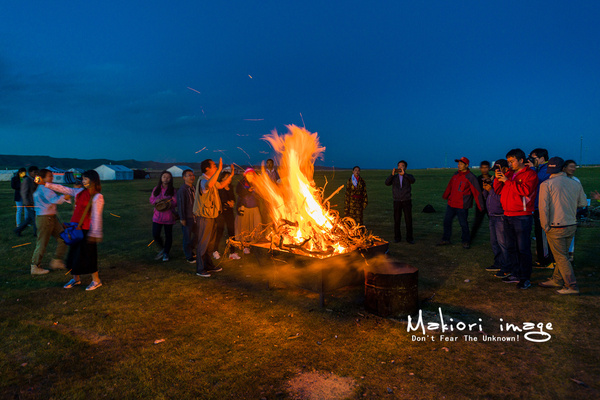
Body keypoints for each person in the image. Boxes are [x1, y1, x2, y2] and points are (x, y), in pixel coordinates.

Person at [42, 170, 105, 291]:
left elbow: (96, 216)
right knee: (74, 255)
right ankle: (76, 279)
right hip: (75, 228)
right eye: (83, 179)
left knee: (89, 255)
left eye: (86, 179)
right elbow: (63, 189)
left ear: (93, 180)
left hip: (87, 230)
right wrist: (45, 184)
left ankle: (96, 280)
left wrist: (95, 233)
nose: (83, 181)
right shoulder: (79, 191)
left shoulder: (97, 196)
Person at [537, 157, 587, 295]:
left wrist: (545, 226)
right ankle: (557, 279)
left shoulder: (546, 184)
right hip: (571, 224)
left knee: (561, 257)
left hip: (556, 225)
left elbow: (543, 207)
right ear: (563, 168)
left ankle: (571, 285)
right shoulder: (575, 183)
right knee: (563, 255)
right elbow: (583, 203)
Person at [493, 148, 538, 289]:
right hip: (508, 214)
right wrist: (498, 178)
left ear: (521, 160)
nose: (510, 164)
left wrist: (507, 181)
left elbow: (525, 191)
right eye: (508, 161)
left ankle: (525, 278)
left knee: (523, 248)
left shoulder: (530, 174)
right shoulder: (510, 174)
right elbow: (498, 190)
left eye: (512, 161)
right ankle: (516, 273)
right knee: (511, 247)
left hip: (522, 216)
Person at [195, 158, 234, 277]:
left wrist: (231, 175)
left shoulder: (210, 180)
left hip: (212, 216)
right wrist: (220, 170)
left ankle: (208, 265)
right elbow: (209, 185)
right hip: (204, 217)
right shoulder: (203, 180)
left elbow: (221, 185)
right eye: (214, 165)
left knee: (210, 244)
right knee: (203, 243)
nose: (216, 166)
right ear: (207, 168)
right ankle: (200, 269)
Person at [29, 169, 69, 275]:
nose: (52, 178)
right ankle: (35, 266)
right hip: (45, 218)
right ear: (43, 178)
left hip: (50, 217)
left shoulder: (43, 188)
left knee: (63, 238)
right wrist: (66, 196)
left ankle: (57, 261)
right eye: (50, 176)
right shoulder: (44, 188)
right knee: (42, 242)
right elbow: (54, 200)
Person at [438, 157, 483, 249]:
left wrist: (480, 206)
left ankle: (466, 241)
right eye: (458, 163)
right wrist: (445, 195)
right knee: (447, 221)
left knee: (463, 224)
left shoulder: (471, 177)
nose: (459, 165)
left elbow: (476, 192)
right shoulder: (456, 174)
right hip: (451, 204)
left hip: (462, 205)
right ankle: (446, 239)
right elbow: (450, 186)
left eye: (461, 164)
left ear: (466, 165)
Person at [482, 160, 516, 278]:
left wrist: (490, 190)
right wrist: (486, 188)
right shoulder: (496, 181)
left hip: (500, 215)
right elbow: (487, 197)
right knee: (494, 242)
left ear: (505, 169)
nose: (495, 173)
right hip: (492, 215)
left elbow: (501, 199)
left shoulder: (507, 181)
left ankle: (507, 266)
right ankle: (499, 263)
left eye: (497, 170)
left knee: (503, 243)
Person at [530, 148, 553, 268]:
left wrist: (532, 168)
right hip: (537, 206)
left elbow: (536, 179)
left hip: (543, 207)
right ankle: (542, 258)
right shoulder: (540, 168)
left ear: (542, 158)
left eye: (534, 158)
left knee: (543, 235)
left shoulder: (547, 169)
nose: (531, 160)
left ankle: (545, 260)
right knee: (538, 234)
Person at [149, 171, 178, 262]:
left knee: (168, 235)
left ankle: (166, 253)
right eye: (164, 177)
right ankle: (162, 249)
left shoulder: (172, 190)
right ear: (161, 178)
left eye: (168, 177)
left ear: (170, 179)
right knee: (155, 234)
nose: (166, 179)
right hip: (157, 216)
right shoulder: (156, 189)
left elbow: (176, 202)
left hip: (168, 216)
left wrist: (168, 202)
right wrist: (156, 201)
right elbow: (151, 200)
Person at [385, 160, 415, 243]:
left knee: (408, 220)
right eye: (399, 166)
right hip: (397, 201)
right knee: (397, 220)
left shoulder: (408, 176)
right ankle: (397, 238)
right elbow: (387, 183)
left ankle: (409, 238)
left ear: (405, 167)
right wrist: (392, 174)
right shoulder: (394, 177)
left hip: (406, 201)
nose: (400, 167)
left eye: (402, 166)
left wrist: (404, 174)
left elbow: (413, 180)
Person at [235, 168, 263, 254]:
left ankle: (255, 245)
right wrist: (248, 190)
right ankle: (245, 246)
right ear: (245, 175)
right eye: (249, 174)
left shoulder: (257, 183)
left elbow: (260, 194)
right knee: (245, 227)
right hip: (245, 208)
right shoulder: (242, 183)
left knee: (256, 226)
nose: (251, 175)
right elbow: (238, 192)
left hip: (254, 207)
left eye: (252, 174)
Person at [561, 160, 584, 262]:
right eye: (571, 166)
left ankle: (569, 254)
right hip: (561, 211)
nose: (573, 169)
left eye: (574, 167)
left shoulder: (576, 180)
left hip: (572, 211)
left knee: (571, 233)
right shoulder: (559, 180)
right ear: (564, 168)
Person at [216, 171, 240, 260]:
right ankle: (215, 250)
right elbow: (218, 199)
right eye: (227, 177)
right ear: (222, 178)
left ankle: (232, 252)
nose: (229, 179)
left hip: (229, 212)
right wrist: (226, 203)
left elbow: (233, 197)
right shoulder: (219, 187)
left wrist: (232, 201)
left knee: (231, 231)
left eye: (230, 177)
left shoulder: (230, 187)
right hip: (221, 212)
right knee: (219, 231)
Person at [176, 169, 198, 263]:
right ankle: (189, 256)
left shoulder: (194, 188)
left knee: (198, 234)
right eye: (189, 175)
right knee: (187, 237)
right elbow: (181, 204)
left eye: (193, 175)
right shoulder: (182, 190)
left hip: (196, 216)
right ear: (184, 177)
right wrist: (182, 218)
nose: (192, 177)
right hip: (187, 217)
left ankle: (191, 248)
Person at [470, 161, 491, 242]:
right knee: (477, 222)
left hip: (491, 204)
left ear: (489, 168)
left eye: (486, 167)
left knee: (494, 223)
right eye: (483, 168)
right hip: (480, 204)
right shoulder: (478, 179)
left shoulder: (492, 178)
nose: (484, 169)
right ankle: (470, 238)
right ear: (480, 168)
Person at [14, 166, 39, 237]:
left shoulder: (35, 179)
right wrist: (27, 202)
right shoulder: (26, 180)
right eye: (34, 172)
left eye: (37, 172)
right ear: (30, 172)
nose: (36, 173)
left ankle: (18, 230)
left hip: (34, 202)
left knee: (29, 219)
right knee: (35, 218)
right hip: (29, 202)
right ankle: (36, 233)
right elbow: (23, 192)